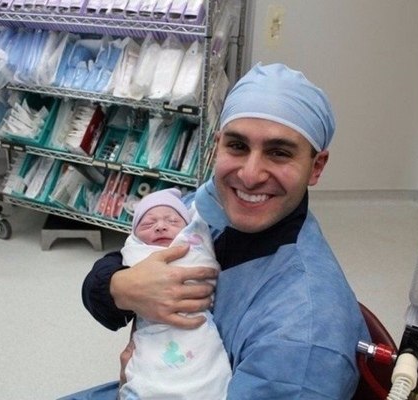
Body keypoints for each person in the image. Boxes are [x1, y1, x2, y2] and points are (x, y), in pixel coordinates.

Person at [71, 63, 370, 399]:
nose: (250, 175)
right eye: (238, 146)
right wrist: (119, 286)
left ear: (316, 167)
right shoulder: (206, 206)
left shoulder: (304, 335)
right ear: (217, 146)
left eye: (279, 153)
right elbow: (127, 256)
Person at [118, 188, 231, 400]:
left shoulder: (195, 243)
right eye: (148, 224)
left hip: (198, 329)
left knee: (208, 377)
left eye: (172, 221)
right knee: (146, 379)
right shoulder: (137, 253)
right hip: (153, 332)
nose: (160, 226)